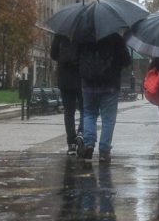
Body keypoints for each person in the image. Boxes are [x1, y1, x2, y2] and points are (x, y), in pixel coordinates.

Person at [77, 33, 132, 163]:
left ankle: (89, 144)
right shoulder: (115, 37)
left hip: (88, 84)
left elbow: (75, 57)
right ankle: (104, 151)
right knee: (108, 119)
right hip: (110, 84)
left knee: (89, 114)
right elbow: (126, 60)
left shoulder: (83, 37)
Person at [50, 34, 83, 156]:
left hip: (65, 79)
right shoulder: (82, 32)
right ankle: (81, 133)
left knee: (69, 112)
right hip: (81, 78)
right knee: (85, 110)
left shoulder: (61, 33)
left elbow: (53, 54)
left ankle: (71, 144)